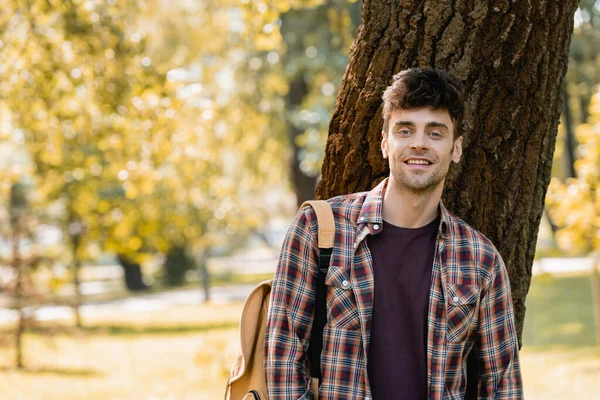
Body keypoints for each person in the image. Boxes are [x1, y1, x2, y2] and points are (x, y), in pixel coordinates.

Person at [264, 67, 523, 399]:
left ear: (456, 149)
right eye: (405, 130)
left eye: (435, 133)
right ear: (385, 142)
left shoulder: (481, 259)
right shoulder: (319, 229)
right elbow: (282, 356)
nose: (418, 144)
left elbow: (502, 383)